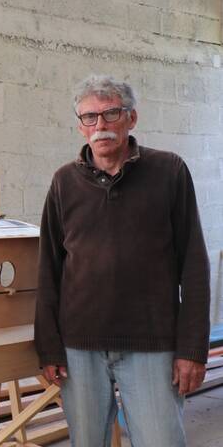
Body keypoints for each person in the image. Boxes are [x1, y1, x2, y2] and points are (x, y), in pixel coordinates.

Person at [34, 75, 210, 446]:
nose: (100, 126)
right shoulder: (64, 182)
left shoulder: (169, 172)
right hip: (79, 349)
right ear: (80, 127)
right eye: (90, 117)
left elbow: (194, 265)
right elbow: (48, 268)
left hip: (152, 344)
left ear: (132, 118)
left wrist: (193, 349)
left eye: (111, 114)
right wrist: (48, 345)